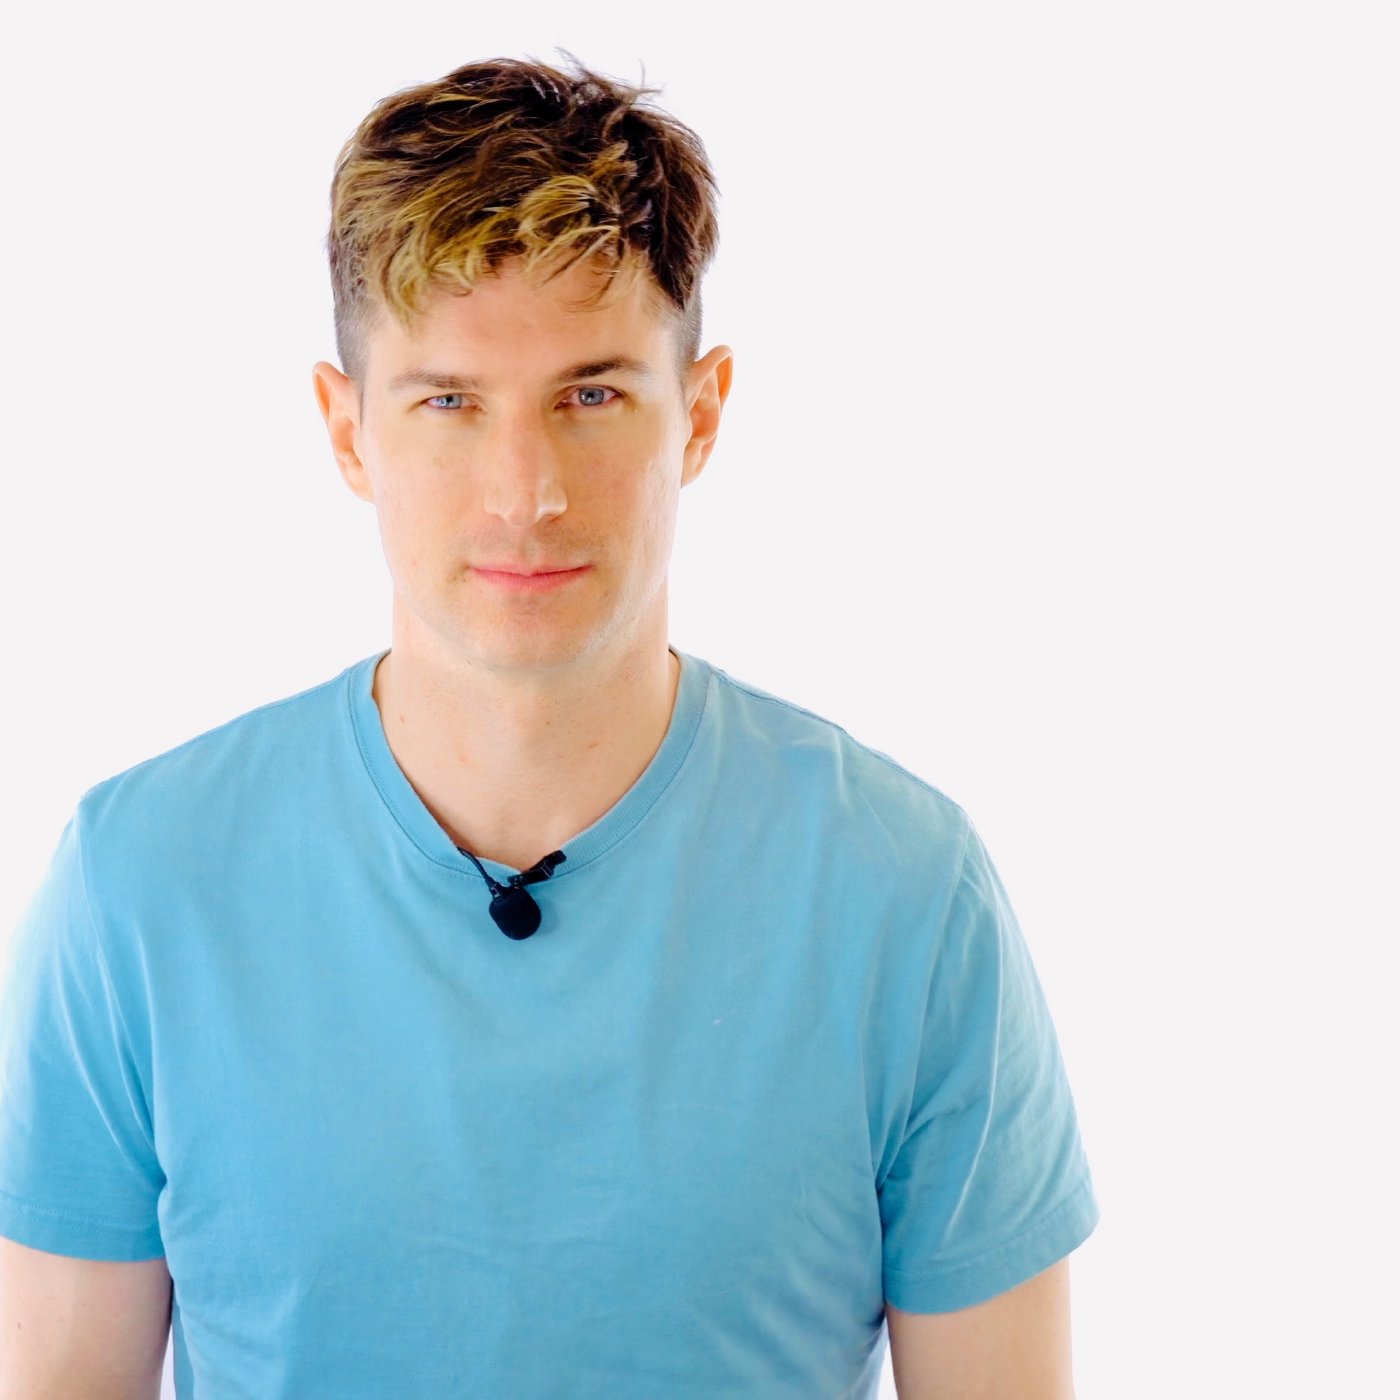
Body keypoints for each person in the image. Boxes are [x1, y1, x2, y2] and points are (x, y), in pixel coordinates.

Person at [0, 53, 1099, 1399]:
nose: (524, 495)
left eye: (592, 395)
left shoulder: (908, 895)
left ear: (701, 415)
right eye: (448, 402)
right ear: (347, 432)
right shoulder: (138, 885)